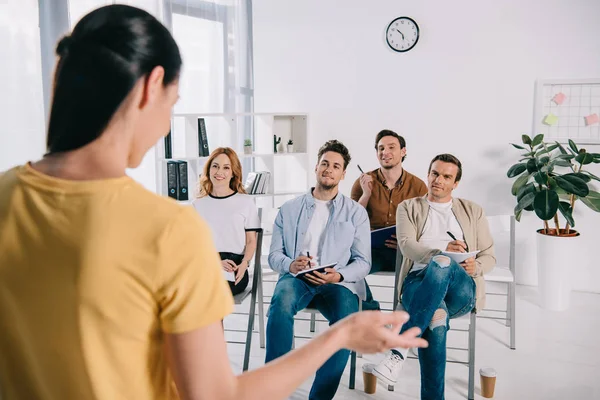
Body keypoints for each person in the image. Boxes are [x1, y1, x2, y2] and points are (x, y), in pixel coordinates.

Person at [0, 5, 427, 400]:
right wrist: (340, 336)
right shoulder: (169, 229)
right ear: (151, 88)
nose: (167, 122)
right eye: (173, 103)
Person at [371, 154, 495, 400]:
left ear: (455, 183)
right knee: (436, 320)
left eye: (446, 176)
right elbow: (406, 246)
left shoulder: (473, 211)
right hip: (418, 283)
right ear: (428, 175)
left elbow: (489, 256)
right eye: (435, 174)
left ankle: (399, 350)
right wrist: (442, 252)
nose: (438, 180)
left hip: (460, 289)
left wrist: (475, 266)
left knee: (444, 262)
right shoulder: (408, 207)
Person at [266, 140, 371, 400]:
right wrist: (290, 264)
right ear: (316, 167)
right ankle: (273, 388)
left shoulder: (356, 213)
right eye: (325, 163)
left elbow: (363, 262)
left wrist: (339, 275)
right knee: (280, 304)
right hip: (296, 278)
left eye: (336, 166)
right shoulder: (289, 209)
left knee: (347, 322)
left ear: (343, 174)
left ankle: (320, 396)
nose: (329, 169)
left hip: (336, 283)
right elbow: (274, 255)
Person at [351, 129, 427, 310]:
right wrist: (367, 194)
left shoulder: (418, 186)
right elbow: (350, 223)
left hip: (404, 253)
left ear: (403, 151)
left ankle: (407, 316)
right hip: (370, 250)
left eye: (391, 147)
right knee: (349, 270)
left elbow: (425, 225)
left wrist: (407, 242)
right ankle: (372, 313)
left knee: (425, 272)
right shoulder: (362, 182)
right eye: (380, 148)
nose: (385, 152)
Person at [193, 147, 260, 296]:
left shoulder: (245, 202)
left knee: (210, 291)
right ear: (209, 169)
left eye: (226, 168)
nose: (219, 172)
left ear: (233, 173)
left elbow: (251, 241)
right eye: (215, 166)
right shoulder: (198, 204)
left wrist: (244, 264)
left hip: (234, 267)